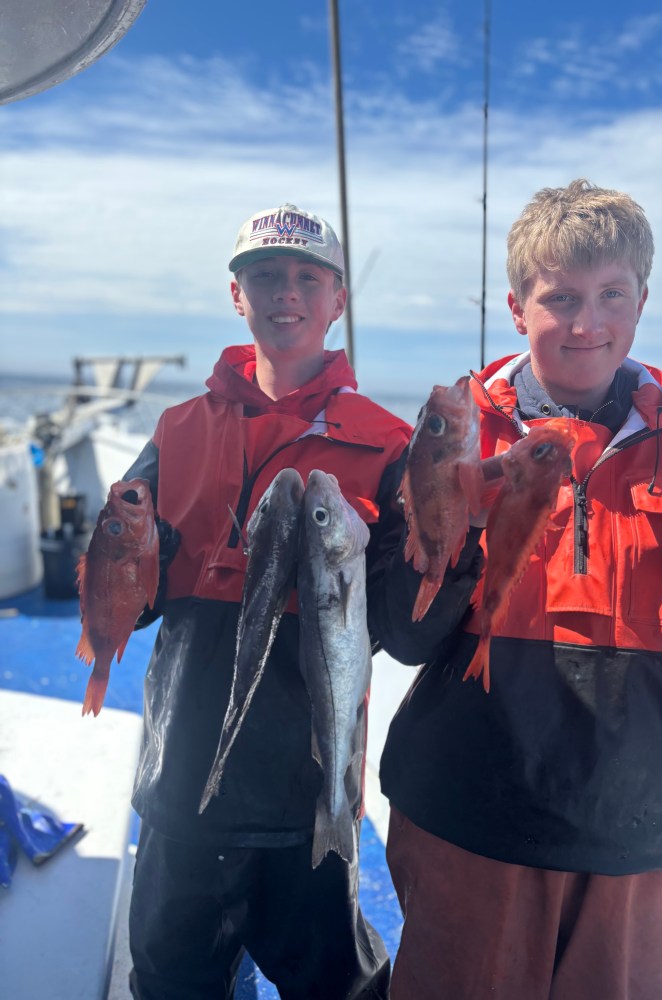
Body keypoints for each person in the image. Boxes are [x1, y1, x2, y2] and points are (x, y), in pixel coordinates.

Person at [371, 179, 662, 1000]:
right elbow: (405, 636)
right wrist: (460, 531)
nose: (586, 323)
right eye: (560, 298)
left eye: (611, 294)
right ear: (516, 308)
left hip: (638, 834)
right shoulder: (452, 432)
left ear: (641, 302)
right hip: (472, 815)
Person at [123, 203, 411, 1000]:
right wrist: (129, 563)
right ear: (236, 294)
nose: (285, 292)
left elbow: (404, 626)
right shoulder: (178, 427)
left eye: (306, 277)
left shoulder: (388, 444)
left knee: (338, 985)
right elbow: (134, 601)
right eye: (264, 276)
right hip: (184, 780)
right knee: (170, 979)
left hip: (308, 790)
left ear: (337, 300)